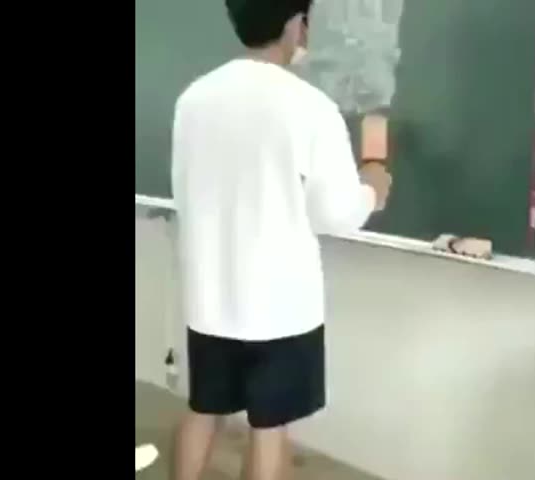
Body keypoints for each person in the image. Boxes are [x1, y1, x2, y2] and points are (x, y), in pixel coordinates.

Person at [169, 1, 392, 479]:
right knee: (269, 428)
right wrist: (373, 185)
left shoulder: (194, 99)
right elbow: (336, 213)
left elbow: (185, 189)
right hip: (279, 308)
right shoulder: (310, 107)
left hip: (209, 297)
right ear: (296, 24)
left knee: (203, 409)